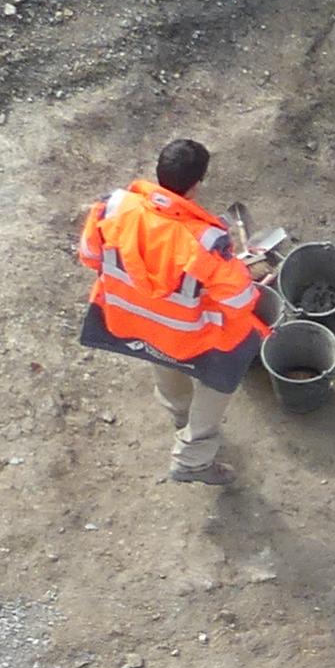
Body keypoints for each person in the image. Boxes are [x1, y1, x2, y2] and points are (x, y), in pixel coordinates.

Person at [76, 139, 270, 487]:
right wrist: (240, 273)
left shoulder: (113, 207)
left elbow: (90, 256)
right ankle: (192, 457)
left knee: (162, 355)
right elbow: (240, 300)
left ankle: (180, 416)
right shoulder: (205, 241)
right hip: (184, 332)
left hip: (130, 321)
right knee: (226, 367)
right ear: (197, 184)